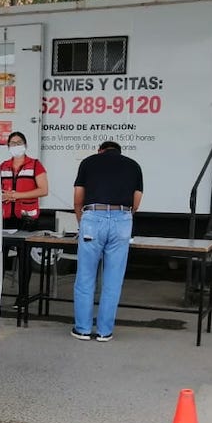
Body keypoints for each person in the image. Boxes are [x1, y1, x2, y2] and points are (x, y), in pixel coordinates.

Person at [71, 140, 143, 342]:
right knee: (113, 279)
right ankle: (105, 331)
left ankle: (83, 329)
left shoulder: (88, 162)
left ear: (100, 151)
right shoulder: (133, 165)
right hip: (123, 219)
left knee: (85, 276)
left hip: (93, 218)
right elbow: (136, 202)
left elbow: (78, 198)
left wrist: (82, 221)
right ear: (119, 152)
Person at [0, 131, 48, 230]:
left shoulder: (35, 164)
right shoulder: (3, 166)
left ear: (25, 145)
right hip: (6, 217)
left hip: (28, 218)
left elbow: (44, 190)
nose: (16, 146)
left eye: (19, 143)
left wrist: (17, 195)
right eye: (13, 143)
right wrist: (3, 196)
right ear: (8, 146)